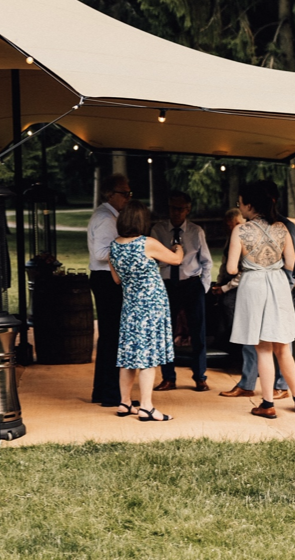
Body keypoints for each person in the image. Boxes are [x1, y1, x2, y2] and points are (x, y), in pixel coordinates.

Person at [226, 180, 295, 418]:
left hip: (254, 286)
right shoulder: (282, 228)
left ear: (250, 205)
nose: (239, 207)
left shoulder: (240, 231)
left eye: (240, 203)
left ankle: (268, 404)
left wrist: (251, 263)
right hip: (278, 284)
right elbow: (291, 264)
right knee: (283, 347)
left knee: (263, 349)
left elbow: (231, 269)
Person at [110, 202, 185, 421]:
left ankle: (125, 402)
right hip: (151, 307)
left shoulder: (114, 246)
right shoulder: (146, 243)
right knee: (148, 358)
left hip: (130, 307)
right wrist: (178, 247)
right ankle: (146, 407)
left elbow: (116, 279)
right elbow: (176, 260)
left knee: (128, 356)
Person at [150, 191, 212, 392]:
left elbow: (206, 261)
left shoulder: (196, 231)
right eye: (172, 208)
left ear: (188, 209)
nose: (175, 213)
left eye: (180, 209)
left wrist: (203, 287)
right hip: (167, 285)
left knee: (198, 332)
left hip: (191, 284)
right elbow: (151, 259)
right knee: (166, 331)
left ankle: (200, 376)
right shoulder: (158, 230)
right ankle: (168, 377)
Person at [87, 173, 132, 407]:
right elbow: (100, 253)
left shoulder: (109, 216)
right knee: (112, 337)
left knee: (109, 336)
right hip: (106, 279)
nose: (128, 197)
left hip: (105, 278)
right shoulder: (106, 218)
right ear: (109, 194)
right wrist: (129, 251)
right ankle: (110, 393)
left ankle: (102, 390)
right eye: (124, 193)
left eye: (129, 193)